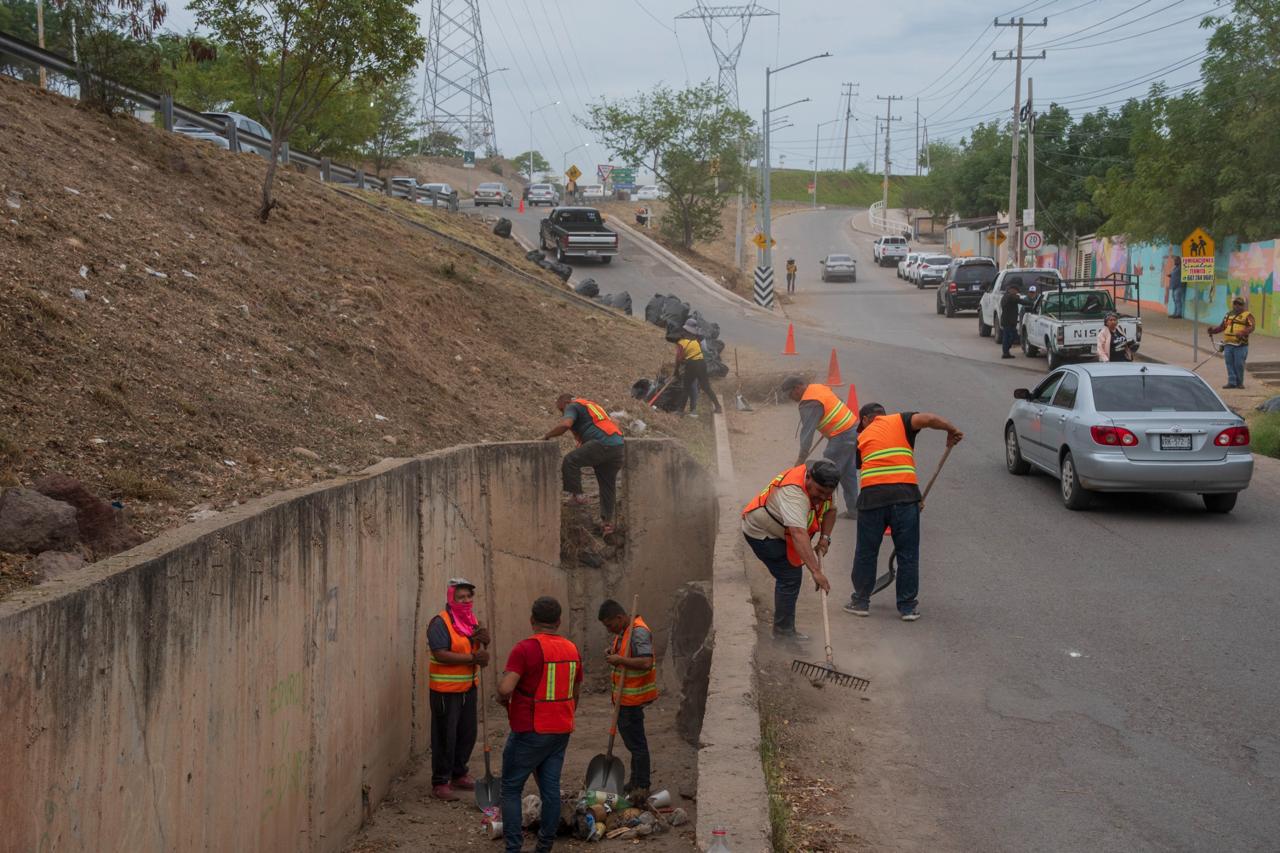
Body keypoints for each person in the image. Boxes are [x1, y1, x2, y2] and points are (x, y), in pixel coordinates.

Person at [844, 403, 963, 621]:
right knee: (907, 553)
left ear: (864, 420)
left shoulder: (861, 437)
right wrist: (950, 430)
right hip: (905, 498)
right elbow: (928, 417)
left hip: (872, 500)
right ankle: (907, 607)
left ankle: (860, 602)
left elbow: (861, 466)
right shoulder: (901, 421)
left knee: (866, 552)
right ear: (883, 415)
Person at [497, 596, 582, 853]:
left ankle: (514, 848)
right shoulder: (571, 649)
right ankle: (544, 846)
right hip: (560, 729)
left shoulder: (525, 649)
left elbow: (505, 688)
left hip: (530, 729)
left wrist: (503, 698)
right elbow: (576, 689)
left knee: (511, 788)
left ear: (532, 620)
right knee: (550, 790)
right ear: (558, 621)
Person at [741, 460, 837, 642]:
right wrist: (816, 572)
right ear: (808, 477)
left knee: (790, 575)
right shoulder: (793, 493)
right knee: (789, 576)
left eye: (827, 494)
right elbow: (798, 533)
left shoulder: (828, 486)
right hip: (761, 532)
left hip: (781, 532)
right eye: (819, 493)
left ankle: (784, 631)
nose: (822, 498)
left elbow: (831, 510)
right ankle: (783, 635)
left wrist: (825, 539)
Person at [427, 578, 492, 800]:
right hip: (445, 690)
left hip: (468, 687)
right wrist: (472, 657)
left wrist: (484, 639)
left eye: (468, 597)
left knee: (467, 733)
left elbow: (475, 645)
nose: (465, 601)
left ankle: (458, 773)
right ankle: (441, 781)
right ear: (451, 598)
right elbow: (440, 653)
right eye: (460, 597)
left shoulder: (471, 621)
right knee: (446, 735)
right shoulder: (440, 622)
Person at [598, 599, 657, 799]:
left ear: (620, 617)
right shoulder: (624, 632)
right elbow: (625, 653)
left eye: (609, 625)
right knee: (634, 744)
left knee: (637, 745)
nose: (608, 630)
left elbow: (646, 662)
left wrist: (620, 660)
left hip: (632, 699)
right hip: (623, 699)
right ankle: (635, 781)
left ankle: (642, 785)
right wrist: (613, 653)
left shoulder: (638, 631)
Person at [543, 394, 625, 535]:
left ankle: (577, 497)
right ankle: (607, 525)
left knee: (570, 461)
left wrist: (547, 435)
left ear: (566, 402)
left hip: (601, 443)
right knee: (607, 485)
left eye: (561, 410)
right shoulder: (593, 405)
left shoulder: (572, 406)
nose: (563, 413)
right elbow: (615, 422)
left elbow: (565, 425)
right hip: (618, 446)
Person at [781, 376, 858, 516]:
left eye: (790, 394)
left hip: (841, 436)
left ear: (797, 388)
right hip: (852, 429)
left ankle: (825, 511)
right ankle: (853, 510)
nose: (791, 398)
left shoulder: (809, 402)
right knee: (848, 473)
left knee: (827, 473)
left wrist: (801, 459)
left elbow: (807, 434)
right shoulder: (817, 388)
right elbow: (839, 401)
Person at [675, 320, 723, 417]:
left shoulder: (682, 343)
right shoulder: (696, 340)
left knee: (686, 388)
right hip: (701, 364)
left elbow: (679, 359)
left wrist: (675, 370)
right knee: (706, 387)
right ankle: (718, 406)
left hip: (692, 365)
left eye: (684, 330)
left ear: (686, 331)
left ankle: (680, 411)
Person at [1208, 296, 1255, 389]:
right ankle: (1231, 382)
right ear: (1233, 305)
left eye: (1240, 304)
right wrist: (1212, 331)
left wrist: (1243, 332)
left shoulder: (1247, 315)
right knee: (1229, 363)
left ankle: (1239, 382)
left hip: (1240, 345)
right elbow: (1222, 327)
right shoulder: (1228, 315)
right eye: (1235, 304)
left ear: (1243, 306)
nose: (1237, 306)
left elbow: (1252, 327)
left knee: (1239, 364)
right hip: (1228, 344)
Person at [999, 282, 1022, 359]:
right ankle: (1005, 352)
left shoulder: (1006, 296)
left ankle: (1006, 352)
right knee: (1010, 337)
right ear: (1011, 290)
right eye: (1016, 291)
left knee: (1009, 337)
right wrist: (1033, 303)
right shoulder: (1009, 297)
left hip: (1009, 321)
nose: (1017, 292)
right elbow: (1020, 301)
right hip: (1008, 321)